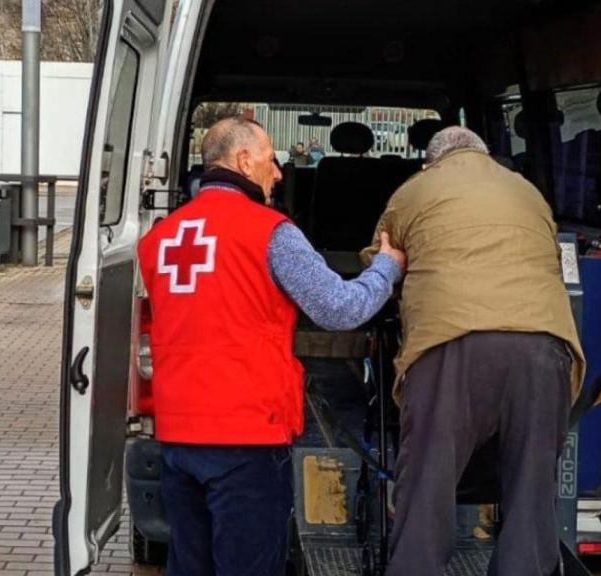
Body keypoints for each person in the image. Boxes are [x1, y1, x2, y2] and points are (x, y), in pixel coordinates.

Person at [138, 116, 406, 576]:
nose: (279, 172)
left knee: (189, 565)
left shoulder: (161, 238)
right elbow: (339, 310)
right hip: (247, 436)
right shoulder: (270, 232)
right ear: (243, 160)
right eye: (270, 160)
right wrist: (387, 267)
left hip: (177, 433)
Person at [361, 126, 586, 576]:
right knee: (531, 484)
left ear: (432, 162)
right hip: (544, 347)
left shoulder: (415, 190)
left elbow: (379, 262)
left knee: (429, 480)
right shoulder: (528, 192)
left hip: (451, 345)